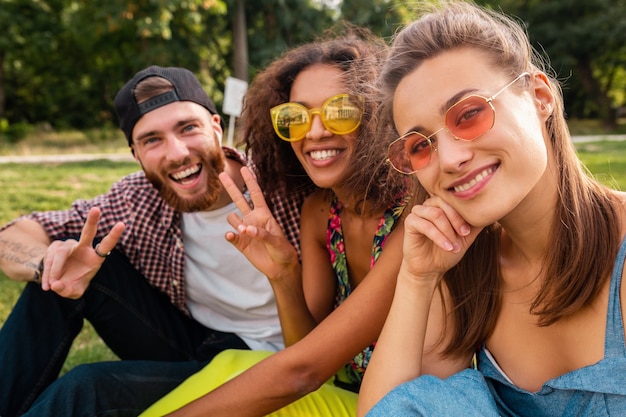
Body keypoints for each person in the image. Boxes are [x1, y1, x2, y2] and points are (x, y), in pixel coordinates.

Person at [355, 1, 626, 416]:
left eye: (469, 115)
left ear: (539, 96)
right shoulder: (467, 270)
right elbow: (391, 410)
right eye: (421, 145)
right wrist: (416, 278)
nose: (449, 159)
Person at [0, 65, 306, 417]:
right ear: (136, 154)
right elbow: (13, 234)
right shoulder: (136, 199)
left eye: (188, 128)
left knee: (86, 389)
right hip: (198, 344)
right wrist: (45, 264)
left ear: (216, 127)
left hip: (280, 357)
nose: (176, 153)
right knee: (61, 266)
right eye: (152, 140)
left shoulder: (285, 184)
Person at [140, 27, 412, 417]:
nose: (316, 131)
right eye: (296, 117)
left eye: (340, 111)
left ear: (380, 114)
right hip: (344, 393)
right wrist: (283, 274)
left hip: (402, 407)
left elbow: (304, 372)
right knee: (230, 364)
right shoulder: (320, 213)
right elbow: (305, 348)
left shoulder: (414, 214)